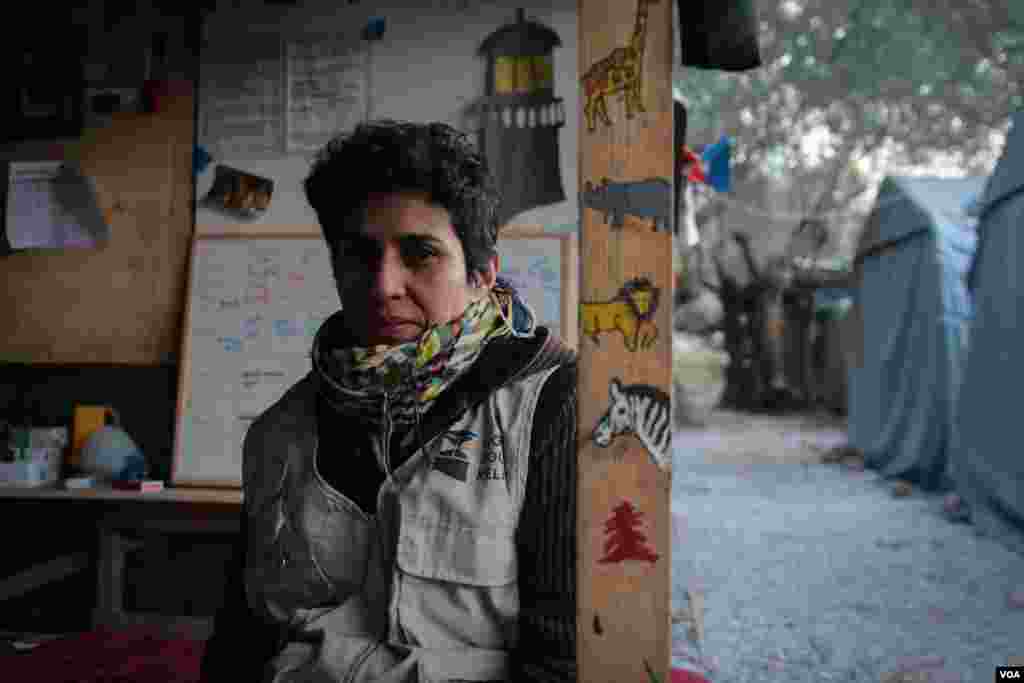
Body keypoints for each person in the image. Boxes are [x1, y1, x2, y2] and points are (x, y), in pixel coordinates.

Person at [199, 120, 578, 683]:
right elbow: (239, 644)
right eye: (358, 255)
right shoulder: (279, 434)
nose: (383, 286)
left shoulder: (551, 407)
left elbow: (564, 660)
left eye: (420, 254)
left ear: (482, 273)